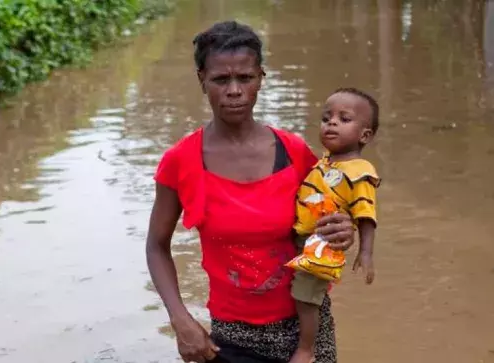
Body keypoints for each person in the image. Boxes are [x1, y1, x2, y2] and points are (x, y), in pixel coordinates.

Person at [146, 21, 355, 363]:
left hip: (306, 327)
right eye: (220, 79)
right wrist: (180, 319)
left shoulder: (295, 153)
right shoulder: (180, 162)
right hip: (231, 335)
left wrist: (342, 231)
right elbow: (156, 246)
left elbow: (326, 227)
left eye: (245, 78)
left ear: (261, 78)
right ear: (202, 80)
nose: (234, 90)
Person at [288, 88, 381, 363]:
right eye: (327, 117)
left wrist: (365, 253)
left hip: (323, 244)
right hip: (306, 237)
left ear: (364, 135)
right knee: (301, 293)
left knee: (306, 296)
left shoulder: (360, 172)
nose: (332, 123)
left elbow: (366, 215)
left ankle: (306, 349)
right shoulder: (327, 162)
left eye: (344, 118)